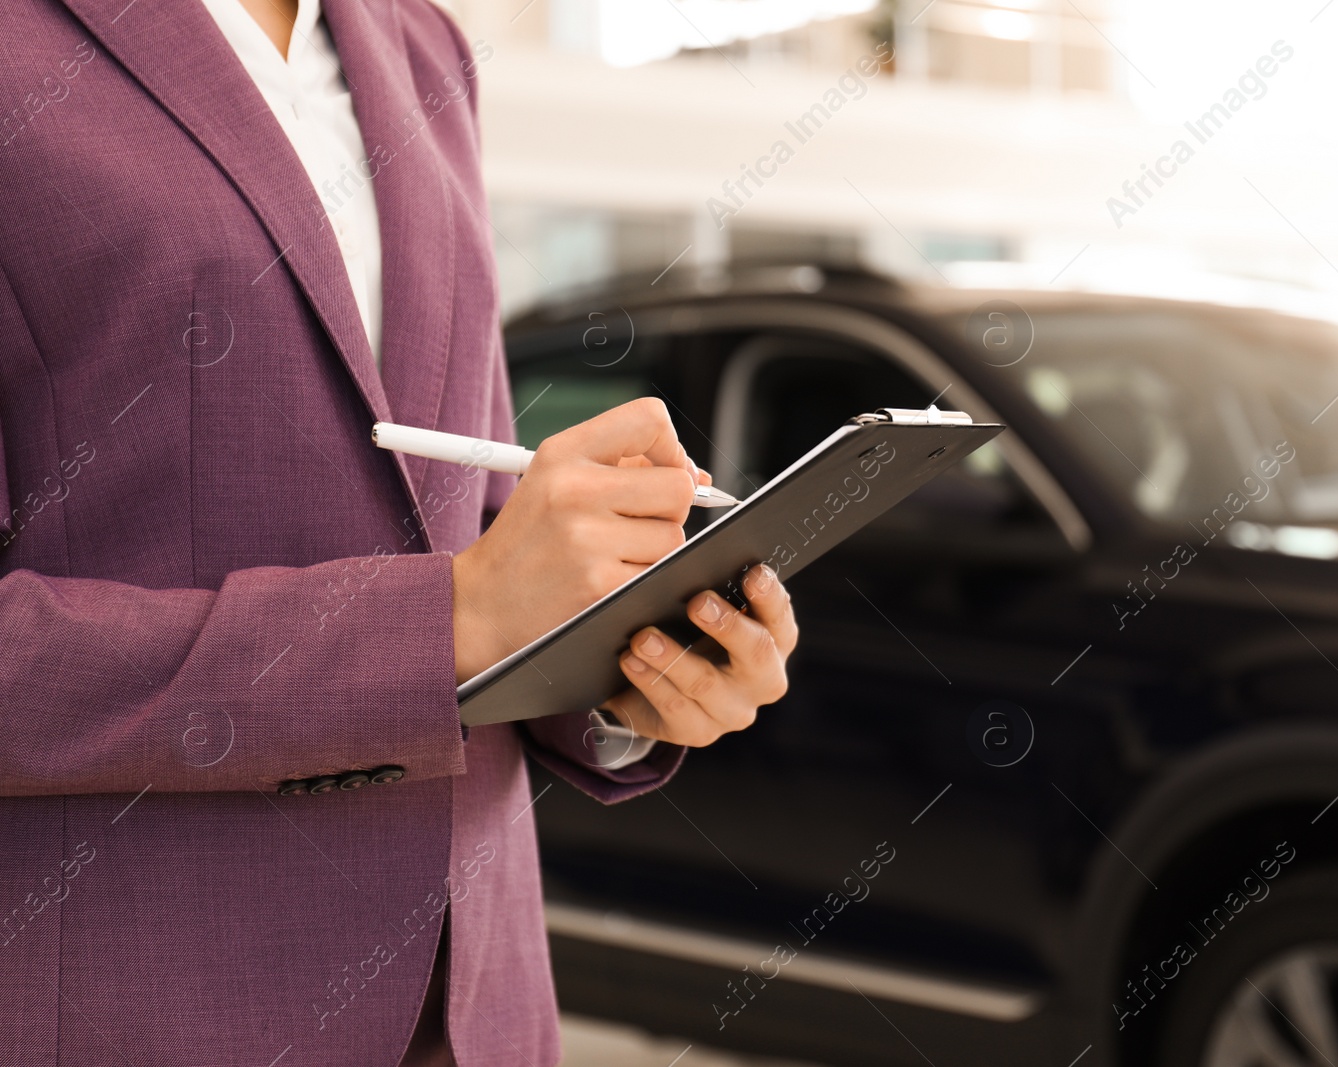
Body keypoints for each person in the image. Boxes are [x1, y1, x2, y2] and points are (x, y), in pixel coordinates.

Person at [0, 1, 797, 1065]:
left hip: (477, 1010)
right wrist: (447, 618)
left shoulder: (422, 42)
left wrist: (627, 660)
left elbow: (467, 509)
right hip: (149, 1007)